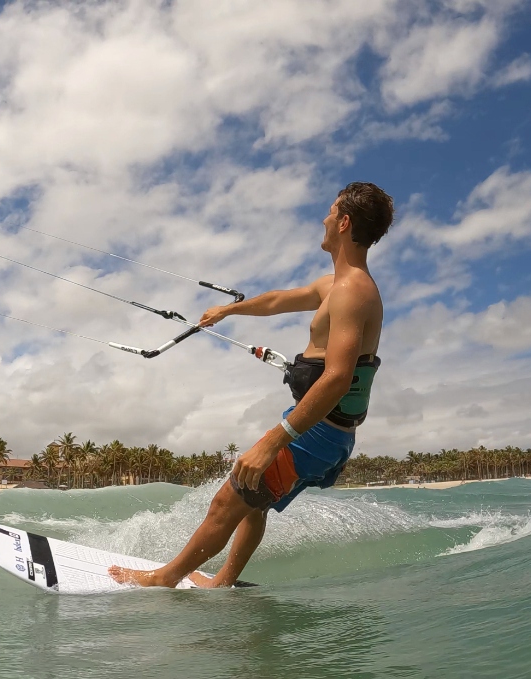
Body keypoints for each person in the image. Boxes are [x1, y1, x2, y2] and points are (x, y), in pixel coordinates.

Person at [108, 182, 394, 588]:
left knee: (228, 500)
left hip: (317, 433)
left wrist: (274, 440)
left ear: (344, 222)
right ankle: (225, 580)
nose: (324, 219)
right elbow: (279, 299)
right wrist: (230, 309)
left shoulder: (352, 291)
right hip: (324, 431)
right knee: (254, 503)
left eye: (331, 212)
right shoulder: (336, 285)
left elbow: (337, 379)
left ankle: (163, 579)